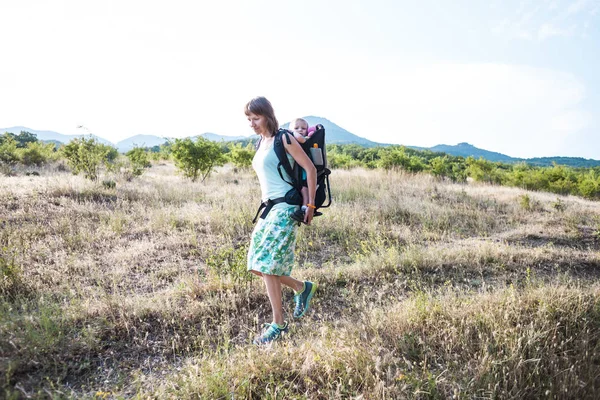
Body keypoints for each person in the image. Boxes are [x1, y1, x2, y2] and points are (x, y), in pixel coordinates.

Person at [245, 97, 318, 345]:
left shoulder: (283, 138)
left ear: (267, 115)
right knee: (257, 265)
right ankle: (301, 287)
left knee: (267, 265)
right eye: (249, 119)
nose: (252, 123)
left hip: (286, 207)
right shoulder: (261, 142)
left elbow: (310, 169)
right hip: (268, 208)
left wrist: (310, 204)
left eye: (256, 118)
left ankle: (278, 324)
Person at [288, 118, 314, 223]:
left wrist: (292, 132)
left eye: (303, 128)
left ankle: (305, 205)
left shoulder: (303, 138)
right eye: (296, 128)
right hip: (298, 168)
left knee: (304, 187)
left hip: (304, 168)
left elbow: (301, 139)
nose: (300, 130)